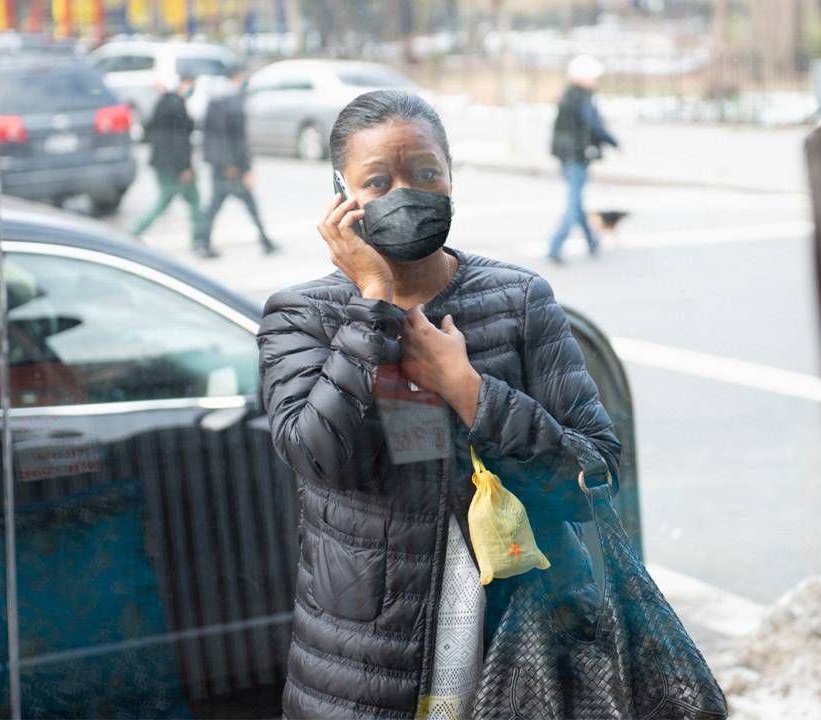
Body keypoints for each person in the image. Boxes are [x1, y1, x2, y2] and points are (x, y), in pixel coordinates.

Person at [258, 90, 621, 720]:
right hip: (369, 658)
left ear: (450, 178)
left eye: (425, 173)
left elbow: (596, 478)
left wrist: (471, 392)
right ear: (341, 195)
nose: (406, 192)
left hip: (529, 631)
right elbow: (319, 459)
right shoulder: (303, 316)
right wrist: (372, 305)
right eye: (378, 180)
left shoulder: (520, 299)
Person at [198, 67, 277, 257]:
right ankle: (265, 242)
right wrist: (242, 167)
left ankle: (203, 242)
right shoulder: (232, 102)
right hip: (232, 167)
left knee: (216, 206)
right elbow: (236, 139)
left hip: (221, 164)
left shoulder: (214, 100)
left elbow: (211, 136)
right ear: (237, 78)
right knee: (245, 204)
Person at [547, 54, 619, 264]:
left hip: (567, 155)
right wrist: (613, 141)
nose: (596, 81)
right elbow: (594, 126)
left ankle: (592, 242)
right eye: (593, 76)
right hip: (577, 155)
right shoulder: (582, 98)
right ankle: (555, 246)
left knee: (577, 203)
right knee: (574, 203)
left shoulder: (568, 95)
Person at [130, 73, 206, 254]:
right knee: (188, 200)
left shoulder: (164, 101)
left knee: (170, 200)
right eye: (191, 84)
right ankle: (199, 240)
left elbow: (148, 131)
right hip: (175, 166)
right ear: (184, 83)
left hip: (162, 163)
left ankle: (136, 232)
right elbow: (179, 141)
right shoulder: (176, 105)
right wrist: (185, 167)